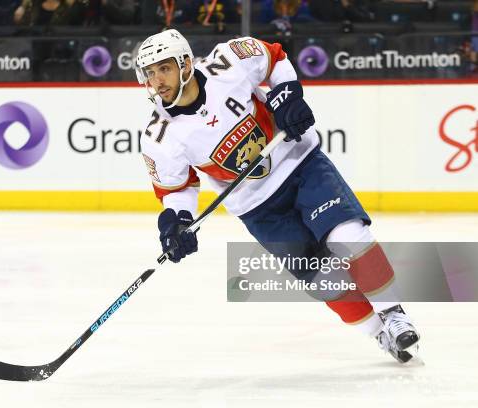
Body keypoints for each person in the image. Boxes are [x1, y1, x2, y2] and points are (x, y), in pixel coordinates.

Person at [134, 29, 421, 363]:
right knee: (320, 275)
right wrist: (178, 221)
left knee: (346, 234)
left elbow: (273, 58)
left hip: (300, 163)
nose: (157, 80)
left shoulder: (226, 63)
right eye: (149, 73)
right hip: (257, 208)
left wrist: (288, 94)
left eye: (163, 68)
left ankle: (394, 314)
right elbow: (177, 188)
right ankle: (379, 333)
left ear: (185, 64)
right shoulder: (158, 136)